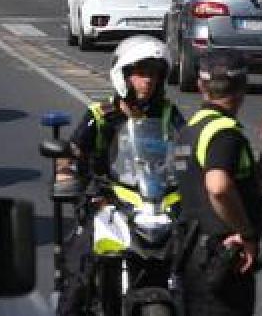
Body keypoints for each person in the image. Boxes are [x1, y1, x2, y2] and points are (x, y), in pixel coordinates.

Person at [54, 37, 185, 316]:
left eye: (153, 73)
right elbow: (72, 150)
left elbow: (185, 152)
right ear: (123, 76)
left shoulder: (169, 114)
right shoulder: (101, 116)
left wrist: (197, 179)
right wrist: (66, 174)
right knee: (78, 271)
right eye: (140, 73)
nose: (147, 81)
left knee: (197, 265)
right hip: (107, 199)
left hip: (157, 199)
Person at [175, 51, 262, 316]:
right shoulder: (224, 133)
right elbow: (219, 186)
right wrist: (245, 233)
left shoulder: (190, 129)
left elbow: (253, 184)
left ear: (201, 86)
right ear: (242, 88)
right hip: (221, 256)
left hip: (192, 252)